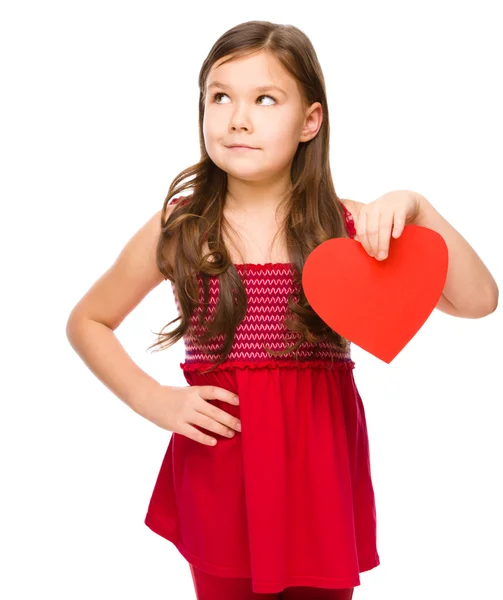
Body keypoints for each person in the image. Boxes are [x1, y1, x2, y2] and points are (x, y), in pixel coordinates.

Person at [66, 20, 499, 600]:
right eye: (220, 97)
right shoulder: (183, 227)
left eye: (265, 99)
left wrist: (419, 209)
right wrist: (154, 401)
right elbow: (88, 320)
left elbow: (478, 300)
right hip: (222, 469)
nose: (237, 118)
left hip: (317, 476)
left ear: (310, 121)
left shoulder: (347, 229)